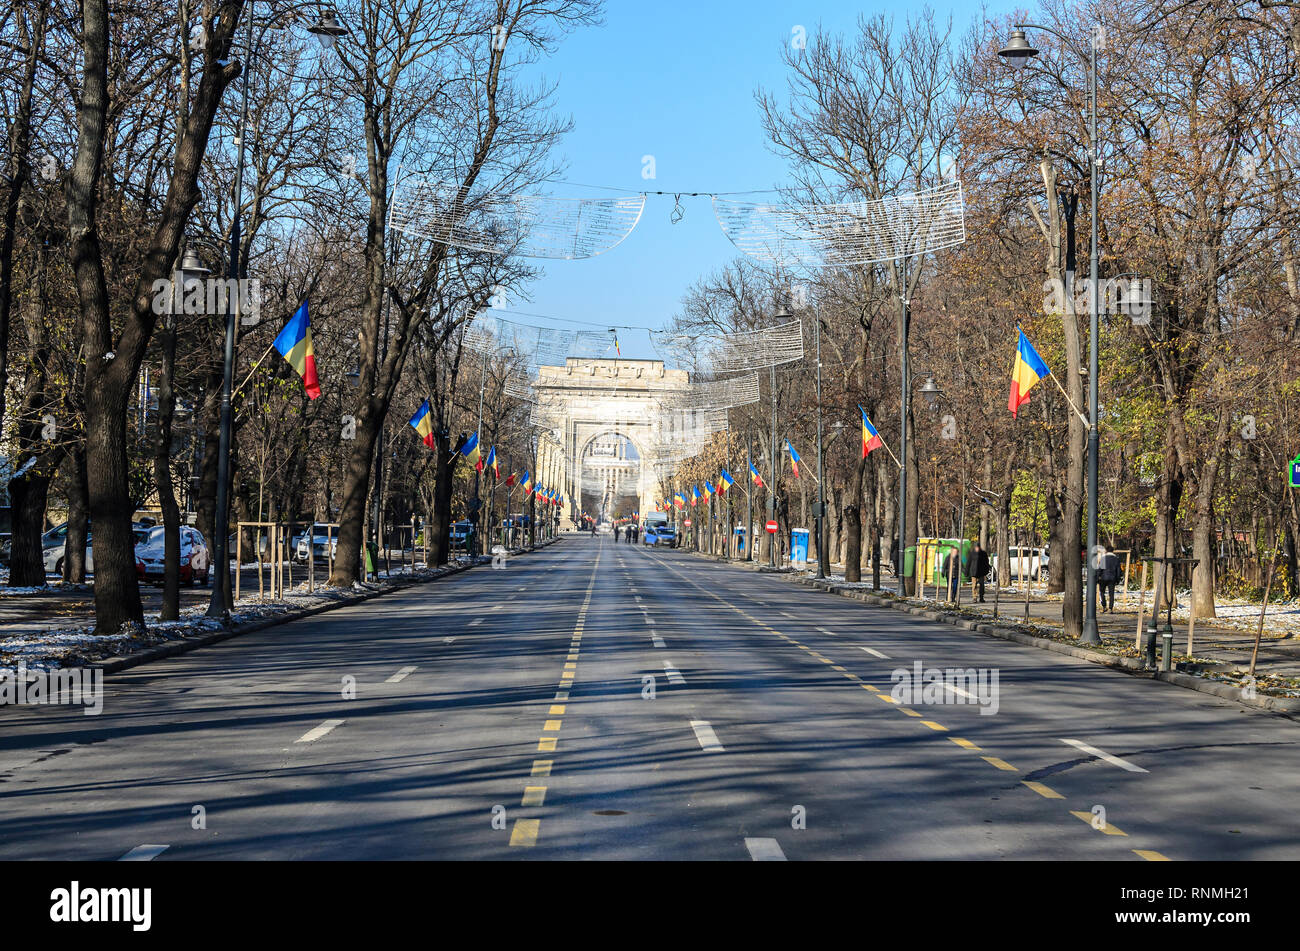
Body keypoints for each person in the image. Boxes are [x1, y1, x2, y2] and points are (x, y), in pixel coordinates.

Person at [1098, 544, 1121, 613]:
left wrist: (1097, 577)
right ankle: (1110, 608)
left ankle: (1104, 606)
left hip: (1103, 578)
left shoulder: (1103, 558)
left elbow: (1100, 569)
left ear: (1106, 551)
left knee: (1102, 592)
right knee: (1111, 594)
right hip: (1112, 578)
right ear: (1113, 551)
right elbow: (1118, 570)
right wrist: (1118, 579)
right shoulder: (1116, 559)